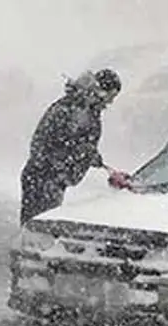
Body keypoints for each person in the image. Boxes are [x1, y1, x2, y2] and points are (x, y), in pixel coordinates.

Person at [19, 68, 122, 225]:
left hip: (47, 178)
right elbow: (49, 143)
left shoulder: (83, 108)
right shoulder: (76, 109)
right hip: (44, 178)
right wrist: (62, 167)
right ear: (101, 90)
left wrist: (91, 156)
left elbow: (76, 142)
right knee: (38, 228)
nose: (110, 102)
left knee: (38, 227)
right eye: (111, 96)